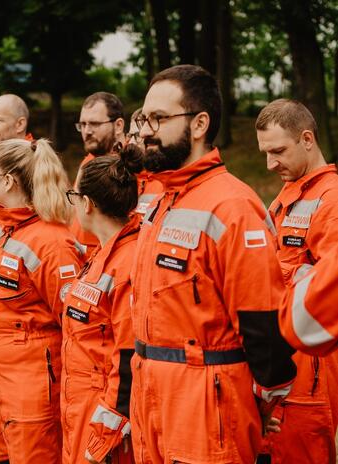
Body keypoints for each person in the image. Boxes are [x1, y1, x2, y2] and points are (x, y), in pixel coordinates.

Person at [130, 64, 297, 464]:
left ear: (200, 123)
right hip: (152, 396)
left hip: (206, 407)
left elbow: (262, 320)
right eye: (144, 117)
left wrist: (263, 399)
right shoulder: (164, 200)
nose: (147, 130)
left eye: (159, 118)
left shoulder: (232, 205)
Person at [0, 138, 83, 463]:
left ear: (7, 181)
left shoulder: (52, 242)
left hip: (32, 388)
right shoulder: (4, 230)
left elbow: (74, 324)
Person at [256, 99, 338, 464]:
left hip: (310, 379)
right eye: (265, 153)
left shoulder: (331, 200)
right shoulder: (287, 195)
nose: (270, 164)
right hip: (280, 372)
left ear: (307, 139)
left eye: (278, 151)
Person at [61, 144, 143, 464]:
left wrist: (101, 441)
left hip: (105, 423)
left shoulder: (128, 262)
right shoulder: (103, 254)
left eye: (74, 197)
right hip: (82, 408)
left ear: (88, 204)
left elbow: (128, 358)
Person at [72, 92, 126, 258]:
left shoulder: (132, 166)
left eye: (94, 124)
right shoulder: (89, 160)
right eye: (83, 124)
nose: (87, 131)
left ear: (118, 125)